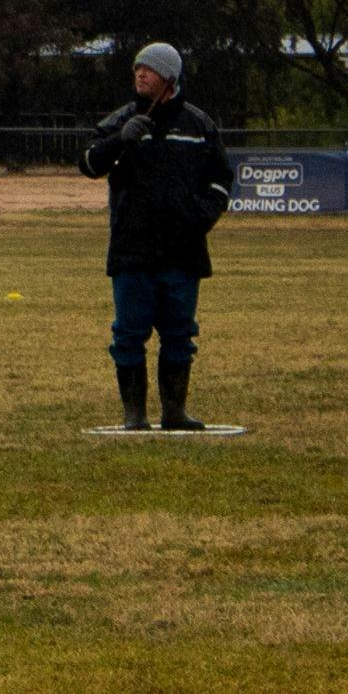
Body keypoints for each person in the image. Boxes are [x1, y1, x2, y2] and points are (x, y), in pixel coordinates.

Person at [76, 42, 236, 430]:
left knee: (180, 334)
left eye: (149, 69)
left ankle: (175, 412)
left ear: (169, 78)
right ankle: (134, 415)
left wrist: (202, 216)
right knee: (128, 334)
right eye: (137, 69)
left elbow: (222, 179)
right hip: (133, 248)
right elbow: (88, 164)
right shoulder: (122, 121)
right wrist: (121, 140)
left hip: (183, 250)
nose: (140, 74)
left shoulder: (199, 126)